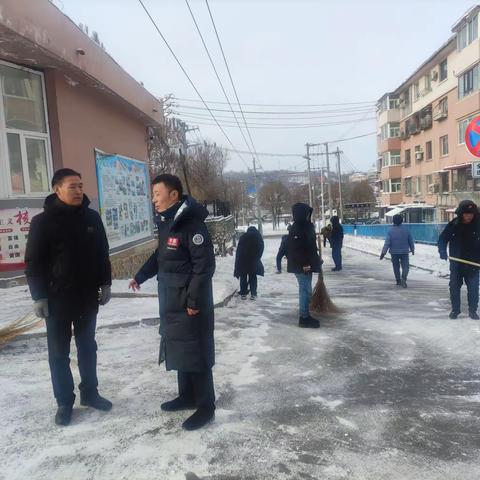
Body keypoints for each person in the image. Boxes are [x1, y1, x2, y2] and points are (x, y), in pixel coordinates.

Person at [24, 168, 112, 426]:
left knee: (88, 348)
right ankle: (64, 402)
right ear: (56, 189)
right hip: (56, 300)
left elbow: (101, 253)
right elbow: (33, 262)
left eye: (80, 185)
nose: (78, 190)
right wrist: (38, 296)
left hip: (87, 297)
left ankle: (90, 393)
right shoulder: (42, 222)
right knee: (59, 354)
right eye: (72, 186)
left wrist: (105, 283)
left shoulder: (92, 218)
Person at [129, 174, 216, 430]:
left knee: (196, 351)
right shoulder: (169, 223)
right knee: (180, 348)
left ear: (173, 195)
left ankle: (206, 406)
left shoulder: (192, 225)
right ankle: (187, 396)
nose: (153, 199)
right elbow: (161, 256)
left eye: (157, 194)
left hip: (190, 301)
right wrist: (140, 276)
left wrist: (193, 299)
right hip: (171, 299)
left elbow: (204, 267)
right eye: (153, 195)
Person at [438, 199, 480, 320]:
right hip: (457, 264)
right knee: (454, 288)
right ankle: (455, 310)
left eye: (471, 214)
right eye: (466, 213)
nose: (469, 216)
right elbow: (442, 239)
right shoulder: (454, 225)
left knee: (473, 289)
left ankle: (473, 311)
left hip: (474, 264)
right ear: (461, 213)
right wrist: (442, 251)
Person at [287, 203, 322, 328]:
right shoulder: (297, 228)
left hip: (306, 264)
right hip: (302, 266)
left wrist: (316, 260)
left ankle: (305, 314)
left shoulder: (305, 226)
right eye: (306, 213)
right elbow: (297, 250)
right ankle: (304, 317)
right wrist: (306, 264)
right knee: (305, 290)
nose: (308, 215)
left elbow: (310, 247)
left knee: (306, 290)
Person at [380, 214, 415, 288]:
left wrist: (383, 253)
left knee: (396, 266)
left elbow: (387, 243)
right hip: (404, 252)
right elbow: (410, 241)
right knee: (406, 266)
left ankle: (398, 280)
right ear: (402, 221)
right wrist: (412, 249)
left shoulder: (390, 231)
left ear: (393, 221)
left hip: (394, 252)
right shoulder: (406, 230)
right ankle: (404, 278)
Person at [234, 226, 264, 299]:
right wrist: (257, 257)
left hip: (243, 260)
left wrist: (238, 261)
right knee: (253, 277)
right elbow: (261, 247)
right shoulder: (258, 236)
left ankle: (243, 294)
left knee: (243, 277)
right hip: (253, 260)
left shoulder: (243, 236)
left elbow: (239, 250)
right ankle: (253, 294)